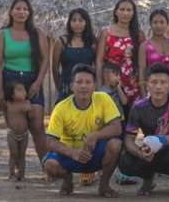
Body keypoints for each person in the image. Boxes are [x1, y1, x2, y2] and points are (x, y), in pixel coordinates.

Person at [44, 64, 123, 197]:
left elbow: (117, 128)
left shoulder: (104, 99)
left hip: (95, 155)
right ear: (71, 86)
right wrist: (72, 152)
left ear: (94, 86)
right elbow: (50, 141)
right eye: (79, 82)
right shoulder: (61, 108)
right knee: (49, 164)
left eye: (88, 82)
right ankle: (68, 180)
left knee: (116, 144)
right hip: (71, 156)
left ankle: (104, 186)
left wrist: (95, 135)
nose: (83, 86)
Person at [119, 63, 169, 197]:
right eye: (154, 82)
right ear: (147, 84)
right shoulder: (138, 106)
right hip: (150, 152)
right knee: (125, 161)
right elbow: (129, 139)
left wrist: (161, 140)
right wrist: (139, 152)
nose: (158, 87)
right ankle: (148, 180)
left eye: (163, 82)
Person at [0, 0, 50, 162]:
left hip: (32, 80)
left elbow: (45, 60)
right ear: (11, 12)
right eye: (18, 8)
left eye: (25, 9)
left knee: (38, 126)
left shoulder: (37, 33)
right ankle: (17, 168)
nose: (21, 12)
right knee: (16, 129)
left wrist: (38, 83)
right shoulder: (2, 35)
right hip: (10, 80)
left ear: (29, 13)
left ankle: (47, 166)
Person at [95, 0, 142, 122]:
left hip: (132, 85)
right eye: (122, 9)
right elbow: (99, 61)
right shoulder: (106, 33)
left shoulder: (138, 34)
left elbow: (142, 62)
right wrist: (100, 85)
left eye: (129, 10)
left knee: (131, 121)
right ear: (116, 11)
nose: (125, 13)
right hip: (111, 85)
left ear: (133, 13)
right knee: (113, 121)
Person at [52, 8, 96, 103]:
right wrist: (59, 86)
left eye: (81, 20)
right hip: (66, 87)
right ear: (69, 23)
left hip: (87, 87)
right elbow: (54, 68)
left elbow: (97, 65)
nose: (77, 23)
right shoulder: (61, 42)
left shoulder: (92, 42)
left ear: (86, 23)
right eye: (74, 20)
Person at [139, 9, 169, 94]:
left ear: (167, 24)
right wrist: (143, 95)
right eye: (155, 22)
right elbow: (142, 71)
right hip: (155, 92)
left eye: (162, 22)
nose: (158, 26)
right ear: (150, 24)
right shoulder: (145, 46)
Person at [4, 80, 32, 181]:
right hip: (12, 133)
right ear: (12, 94)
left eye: (24, 90)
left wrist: (28, 109)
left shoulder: (27, 103)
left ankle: (22, 174)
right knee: (13, 154)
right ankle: (11, 174)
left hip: (24, 134)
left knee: (22, 155)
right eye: (19, 90)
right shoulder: (9, 104)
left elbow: (29, 110)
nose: (23, 92)